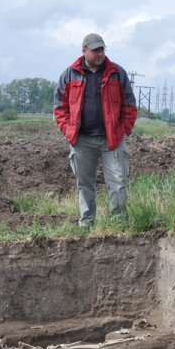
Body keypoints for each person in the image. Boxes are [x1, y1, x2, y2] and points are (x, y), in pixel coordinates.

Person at [54, 33, 138, 228]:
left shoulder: (117, 72)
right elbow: (60, 108)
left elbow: (130, 106)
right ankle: (87, 223)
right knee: (85, 184)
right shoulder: (70, 74)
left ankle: (118, 224)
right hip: (82, 140)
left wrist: (124, 130)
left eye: (102, 49)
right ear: (85, 51)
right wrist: (68, 131)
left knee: (118, 182)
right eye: (95, 50)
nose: (100, 54)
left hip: (113, 140)